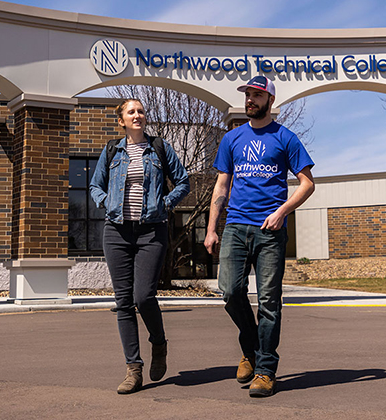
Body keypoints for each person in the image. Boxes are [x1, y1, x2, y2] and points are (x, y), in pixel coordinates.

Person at [204, 76, 315, 398]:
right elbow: (222, 186)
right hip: (236, 227)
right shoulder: (232, 138)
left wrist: (282, 211)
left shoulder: (286, 138)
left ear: (270, 100)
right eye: (248, 95)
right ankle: (250, 347)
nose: (250, 100)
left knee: (269, 302)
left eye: (256, 95)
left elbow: (307, 183)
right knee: (230, 291)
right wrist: (212, 228)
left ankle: (265, 370)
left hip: (270, 232)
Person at [90, 98, 190, 394]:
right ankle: (133, 369)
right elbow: (96, 185)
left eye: (141, 111)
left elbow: (183, 182)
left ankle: (158, 343)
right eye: (131, 112)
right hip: (117, 231)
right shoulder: (111, 150)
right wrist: (106, 201)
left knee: (144, 296)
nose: (138, 115)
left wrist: (165, 203)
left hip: (151, 231)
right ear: (121, 120)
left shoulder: (159, 148)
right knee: (123, 302)